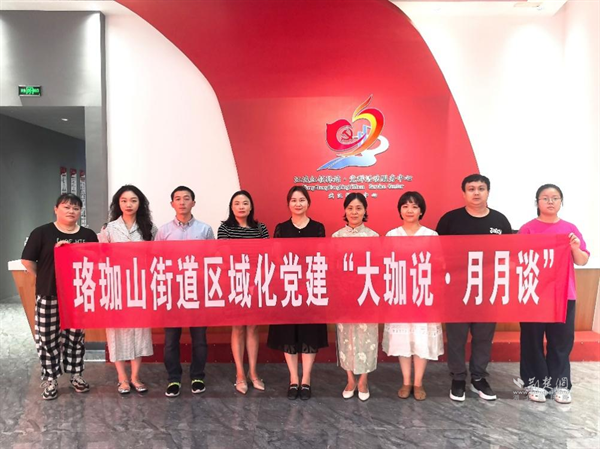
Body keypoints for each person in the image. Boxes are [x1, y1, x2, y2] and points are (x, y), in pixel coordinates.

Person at [436, 174, 512, 402]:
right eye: (471, 188)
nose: (476, 192)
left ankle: (479, 377)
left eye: (481, 188)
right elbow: (437, 253)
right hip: (457, 289)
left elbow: (508, 254)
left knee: (483, 336)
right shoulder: (450, 220)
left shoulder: (500, 221)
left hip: (487, 289)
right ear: (464, 193)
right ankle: (458, 378)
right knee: (456, 337)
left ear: (488, 192)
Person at [21, 193, 98, 400]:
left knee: (75, 338)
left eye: (76, 208)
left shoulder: (88, 235)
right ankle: (50, 379)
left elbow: (96, 260)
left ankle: (76, 375)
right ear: (56, 209)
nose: (71, 211)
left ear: (80, 212)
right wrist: (44, 276)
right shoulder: (42, 233)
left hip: (77, 295)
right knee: (47, 337)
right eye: (66, 207)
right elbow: (27, 261)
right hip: (49, 293)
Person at [519, 184, 589, 404]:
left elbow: (582, 260)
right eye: (545, 198)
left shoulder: (570, 229)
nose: (550, 202)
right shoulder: (528, 229)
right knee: (532, 340)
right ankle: (535, 383)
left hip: (563, 295)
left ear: (561, 202)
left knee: (561, 341)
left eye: (555, 198)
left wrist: (574, 247)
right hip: (534, 294)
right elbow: (517, 259)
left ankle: (560, 384)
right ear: (537, 202)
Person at [266, 186, 328, 400]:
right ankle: (293, 379)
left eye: (302, 200)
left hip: (310, 286)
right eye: (293, 200)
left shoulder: (318, 227)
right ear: (288, 204)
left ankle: (306, 379)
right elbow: (276, 257)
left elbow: (321, 255)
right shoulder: (281, 228)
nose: (298, 204)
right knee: (288, 334)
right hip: (288, 287)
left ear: (308, 203)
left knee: (309, 333)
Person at [382, 191, 443, 401]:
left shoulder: (431, 235)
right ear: (400, 210)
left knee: (420, 337)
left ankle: (418, 383)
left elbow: (439, 264)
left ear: (421, 211)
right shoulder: (392, 235)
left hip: (423, 294)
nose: (410, 210)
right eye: (405, 206)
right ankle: (406, 381)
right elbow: (385, 265)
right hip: (399, 294)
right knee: (403, 339)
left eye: (414, 206)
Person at [155, 186, 215, 398]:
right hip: (172, 292)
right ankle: (174, 379)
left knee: (199, 339)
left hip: (198, 292)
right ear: (172, 204)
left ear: (193, 203)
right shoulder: (163, 231)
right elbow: (157, 261)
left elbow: (212, 259)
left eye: (186, 198)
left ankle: (198, 376)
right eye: (178, 199)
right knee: (171, 339)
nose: (182, 202)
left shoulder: (205, 230)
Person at [99, 185, 157, 394]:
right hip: (116, 287)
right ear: (118, 204)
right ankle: (122, 378)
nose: (128, 204)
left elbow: (157, 257)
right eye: (124, 200)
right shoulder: (109, 229)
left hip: (141, 287)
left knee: (139, 330)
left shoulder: (149, 228)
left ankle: (135, 377)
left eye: (133, 200)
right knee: (117, 331)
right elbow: (100, 257)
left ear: (140, 203)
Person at [218, 190, 269, 394]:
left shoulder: (260, 228)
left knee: (253, 328)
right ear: (231, 207)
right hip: (235, 284)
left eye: (245, 203)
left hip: (257, 284)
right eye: (237, 203)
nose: (241, 207)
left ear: (251, 207)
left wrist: (256, 282)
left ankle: (253, 372)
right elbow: (225, 258)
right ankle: (240, 374)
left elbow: (266, 256)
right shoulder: (225, 228)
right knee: (238, 327)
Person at [332, 193, 379, 401]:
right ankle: (350, 379)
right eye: (350, 208)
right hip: (344, 295)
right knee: (346, 337)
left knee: (367, 337)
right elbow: (333, 268)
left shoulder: (374, 237)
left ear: (365, 211)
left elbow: (378, 267)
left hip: (367, 293)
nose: (354, 212)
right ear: (345, 210)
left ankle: (363, 380)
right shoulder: (336, 237)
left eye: (358, 208)